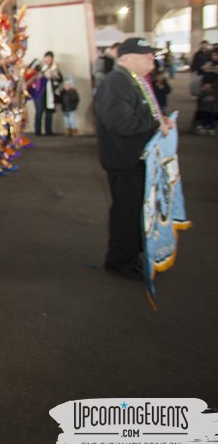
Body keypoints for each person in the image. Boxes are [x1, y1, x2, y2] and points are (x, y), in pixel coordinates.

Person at [94, 37, 174, 280]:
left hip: (137, 159)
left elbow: (140, 114)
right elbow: (119, 122)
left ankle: (131, 255)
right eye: (145, 55)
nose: (152, 59)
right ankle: (121, 260)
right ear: (126, 58)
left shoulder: (133, 80)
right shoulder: (117, 82)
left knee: (136, 209)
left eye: (152, 54)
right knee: (127, 211)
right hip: (124, 160)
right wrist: (155, 123)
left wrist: (159, 120)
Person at [29, 51, 62, 135]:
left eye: (50, 58)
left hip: (49, 92)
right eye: (47, 58)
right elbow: (30, 75)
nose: (48, 60)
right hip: (39, 92)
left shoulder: (54, 68)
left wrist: (55, 75)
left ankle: (48, 131)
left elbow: (60, 79)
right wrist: (42, 76)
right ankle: (38, 131)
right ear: (44, 58)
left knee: (49, 111)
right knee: (39, 111)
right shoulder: (39, 67)